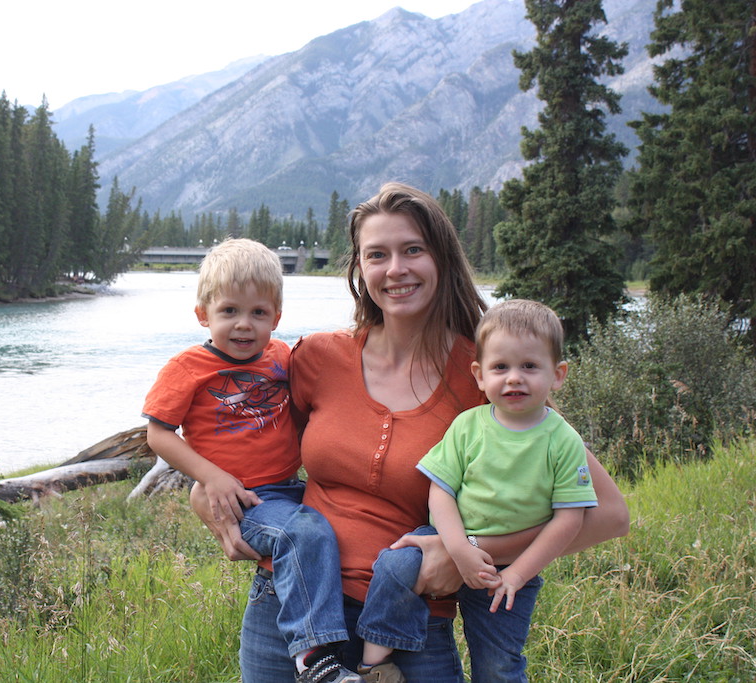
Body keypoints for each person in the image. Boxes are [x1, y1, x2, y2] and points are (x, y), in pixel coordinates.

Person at [191, 183, 630, 683]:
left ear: (440, 258)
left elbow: (609, 515)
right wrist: (202, 494)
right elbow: (252, 447)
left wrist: (464, 547)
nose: (395, 269)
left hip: (410, 625)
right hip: (289, 620)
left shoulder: (484, 376)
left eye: (412, 250)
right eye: (377, 254)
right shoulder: (317, 358)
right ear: (360, 269)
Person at [142, 238, 361, 683]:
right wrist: (211, 478)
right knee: (306, 530)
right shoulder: (188, 368)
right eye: (229, 312)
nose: (244, 325)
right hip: (247, 499)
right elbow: (158, 434)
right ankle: (313, 658)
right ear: (203, 314)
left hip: (287, 486)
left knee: (337, 524)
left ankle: (367, 649)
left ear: (275, 317)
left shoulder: (280, 357)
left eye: (258, 313)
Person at [357, 299, 597, 681]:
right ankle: (373, 664)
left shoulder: (563, 441)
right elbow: (441, 491)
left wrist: (518, 574)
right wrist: (460, 551)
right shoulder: (468, 426)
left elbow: (570, 518)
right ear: (480, 375)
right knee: (393, 564)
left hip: (510, 569)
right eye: (500, 367)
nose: (514, 378)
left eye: (530, 366)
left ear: (558, 374)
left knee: (499, 662)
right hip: (447, 539)